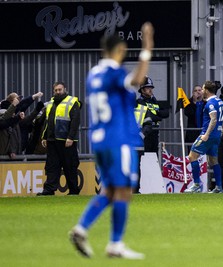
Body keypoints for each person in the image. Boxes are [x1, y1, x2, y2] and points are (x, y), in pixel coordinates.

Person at [68, 22, 154, 259]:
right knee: (124, 191)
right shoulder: (113, 74)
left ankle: (81, 228)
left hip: (100, 140)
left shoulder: (93, 74)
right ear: (119, 49)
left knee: (110, 191)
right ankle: (115, 244)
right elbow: (136, 80)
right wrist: (147, 48)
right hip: (118, 140)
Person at [184, 80, 223, 193]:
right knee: (213, 160)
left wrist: (207, 134)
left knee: (192, 156)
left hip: (208, 135)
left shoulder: (211, 103)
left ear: (207, 91)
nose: (202, 91)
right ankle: (218, 187)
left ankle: (197, 185)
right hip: (216, 135)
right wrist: (221, 131)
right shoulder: (221, 102)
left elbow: (213, 119)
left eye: (203, 89)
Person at [38, 82, 81, 195]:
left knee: (70, 167)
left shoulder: (72, 102)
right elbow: (48, 122)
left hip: (66, 141)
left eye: (60, 89)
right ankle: (49, 190)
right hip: (52, 140)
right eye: (56, 90)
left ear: (65, 89)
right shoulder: (51, 103)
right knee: (52, 166)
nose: (58, 92)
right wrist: (44, 137)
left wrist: (70, 137)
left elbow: (75, 122)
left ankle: (73, 190)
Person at [135, 76, 169, 153]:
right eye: (147, 88)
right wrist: (158, 115)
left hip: (155, 132)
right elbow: (152, 117)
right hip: (145, 133)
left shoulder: (154, 101)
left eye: (151, 87)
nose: (150, 90)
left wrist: (157, 113)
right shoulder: (139, 102)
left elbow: (166, 113)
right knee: (145, 155)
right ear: (142, 90)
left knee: (154, 155)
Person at [184, 85, 203, 152]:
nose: (198, 92)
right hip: (192, 134)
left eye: (199, 90)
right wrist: (195, 103)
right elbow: (188, 113)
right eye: (195, 91)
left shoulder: (206, 102)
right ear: (193, 93)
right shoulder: (188, 102)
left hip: (203, 133)